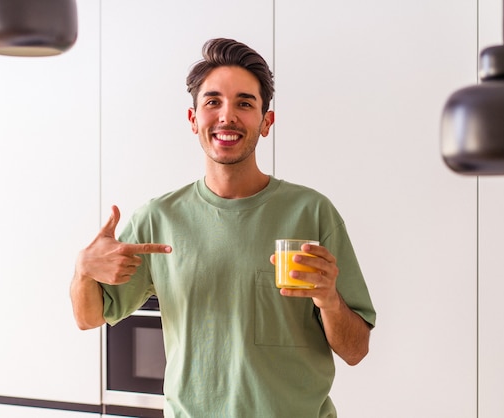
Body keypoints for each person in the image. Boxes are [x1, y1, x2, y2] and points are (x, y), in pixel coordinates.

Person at [70, 37, 376, 417]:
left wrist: (329, 299)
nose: (227, 116)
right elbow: (89, 318)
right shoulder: (157, 218)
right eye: (213, 102)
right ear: (193, 119)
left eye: (244, 103)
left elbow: (356, 349)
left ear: (266, 122)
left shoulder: (312, 213)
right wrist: (83, 269)